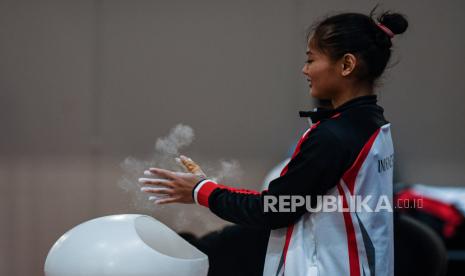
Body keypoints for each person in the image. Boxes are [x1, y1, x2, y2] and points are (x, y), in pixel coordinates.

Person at [139, 8, 408, 276]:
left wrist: (202, 191)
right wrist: (205, 188)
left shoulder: (334, 136)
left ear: (346, 65)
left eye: (311, 60)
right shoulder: (373, 123)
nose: (305, 70)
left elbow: (274, 209)